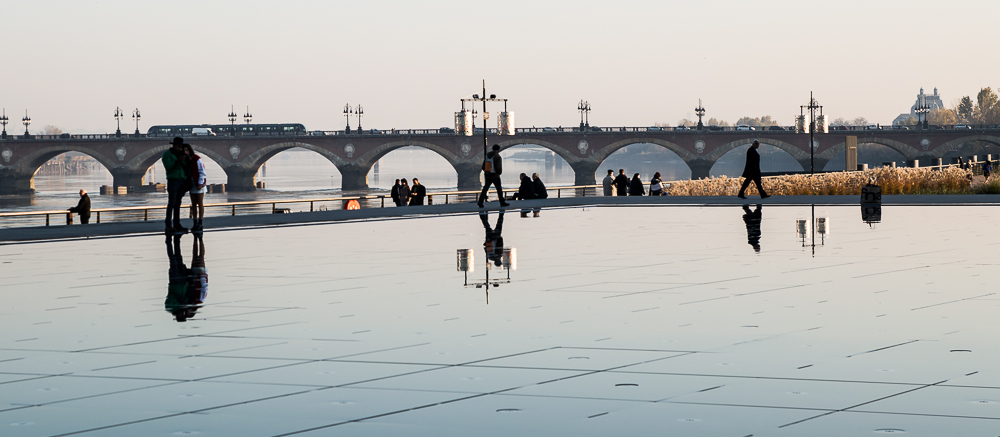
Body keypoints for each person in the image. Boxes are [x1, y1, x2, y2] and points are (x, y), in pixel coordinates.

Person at [162, 137, 190, 233]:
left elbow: (186, 168)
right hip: (172, 180)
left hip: (181, 180)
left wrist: (186, 161)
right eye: (178, 146)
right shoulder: (167, 155)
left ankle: (177, 224)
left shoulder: (182, 154)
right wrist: (177, 161)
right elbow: (168, 167)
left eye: (181, 147)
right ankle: (168, 224)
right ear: (173, 145)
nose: (180, 148)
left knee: (178, 203)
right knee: (171, 203)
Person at [183, 144, 207, 232]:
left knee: (200, 203)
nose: (185, 152)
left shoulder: (197, 158)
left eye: (187, 150)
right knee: (193, 204)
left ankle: (200, 222)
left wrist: (200, 183)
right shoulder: (185, 160)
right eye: (184, 150)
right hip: (191, 184)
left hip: (198, 182)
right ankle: (195, 222)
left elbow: (202, 171)